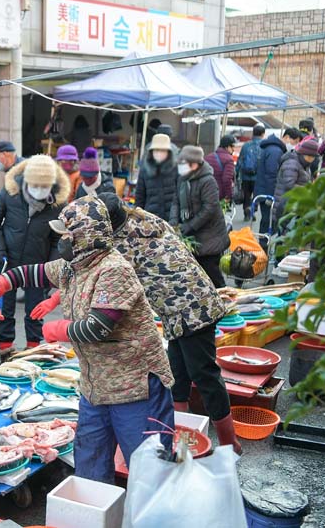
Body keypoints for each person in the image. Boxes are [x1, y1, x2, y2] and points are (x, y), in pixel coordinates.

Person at [0, 197, 175, 483]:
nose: (61, 239)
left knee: (150, 471)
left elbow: (99, 326)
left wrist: (57, 330)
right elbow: (32, 272)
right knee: (90, 465)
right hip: (95, 386)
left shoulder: (114, 269)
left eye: (66, 233)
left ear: (85, 235)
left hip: (136, 387)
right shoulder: (73, 265)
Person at [101, 193, 240, 453]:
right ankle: (180, 437)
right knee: (176, 376)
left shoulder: (123, 244)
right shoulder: (143, 219)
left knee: (205, 374)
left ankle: (230, 442)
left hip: (192, 310)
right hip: (184, 309)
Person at [0, 155, 70, 352]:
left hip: (38, 265)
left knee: (35, 309)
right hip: (8, 259)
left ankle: (33, 348)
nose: (39, 190)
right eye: (35, 185)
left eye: (44, 186)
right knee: (5, 308)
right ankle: (5, 347)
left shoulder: (58, 204)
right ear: (26, 181)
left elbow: (59, 238)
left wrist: (51, 267)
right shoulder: (10, 193)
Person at [172, 146, 230, 289]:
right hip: (194, 236)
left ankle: (225, 301)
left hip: (210, 237)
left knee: (213, 276)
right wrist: (173, 222)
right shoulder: (183, 179)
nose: (181, 167)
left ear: (194, 164)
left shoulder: (208, 180)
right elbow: (176, 202)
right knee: (196, 278)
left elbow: (209, 208)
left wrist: (190, 226)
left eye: (183, 164)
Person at [255, 128, 299, 233]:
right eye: (295, 142)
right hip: (267, 193)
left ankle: (263, 244)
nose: (294, 145)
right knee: (267, 221)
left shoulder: (273, 148)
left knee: (266, 220)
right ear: (287, 137)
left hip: (263, 189)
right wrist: (271, 196)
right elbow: (272, 175)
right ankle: (263, 245)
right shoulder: (275, 151)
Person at [274, 139, 319, 227]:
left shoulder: (304, 164)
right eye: (309, 157)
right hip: (285, 206)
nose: (311, 160)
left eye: (313, 157)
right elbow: (289, 185)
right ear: (302, 153)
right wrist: (309, 189)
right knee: (284, 234)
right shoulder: (292, 163)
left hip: (294, 205)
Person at [135, 134, 178, 223]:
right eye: (156, 150)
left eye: (163, 150)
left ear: (168, 152)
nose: (159, 153)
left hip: (171, 219)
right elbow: (140, 195)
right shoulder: (145, 169)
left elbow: (180, 196)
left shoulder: (176, 169)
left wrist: (176, 219)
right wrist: (138, 217)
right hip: (150, 219)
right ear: (151, 152)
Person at [236, 124, 266, 221]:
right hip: (258, 176)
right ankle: (252, 209)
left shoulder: (246, 145)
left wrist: (236, 174)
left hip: (245, 176)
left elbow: (240, 160)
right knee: (256, 195)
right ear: (262, 134)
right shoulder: (264, 145)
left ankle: (246, 210)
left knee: (247, 194)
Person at [204, 135, 236, 202]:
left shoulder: (208, 157)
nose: (233, 149)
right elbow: (227, 179)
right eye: (232, 146)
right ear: (227, 147)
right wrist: (230, 195)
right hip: (218, 194)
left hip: (205, 192)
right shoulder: (229, 159)